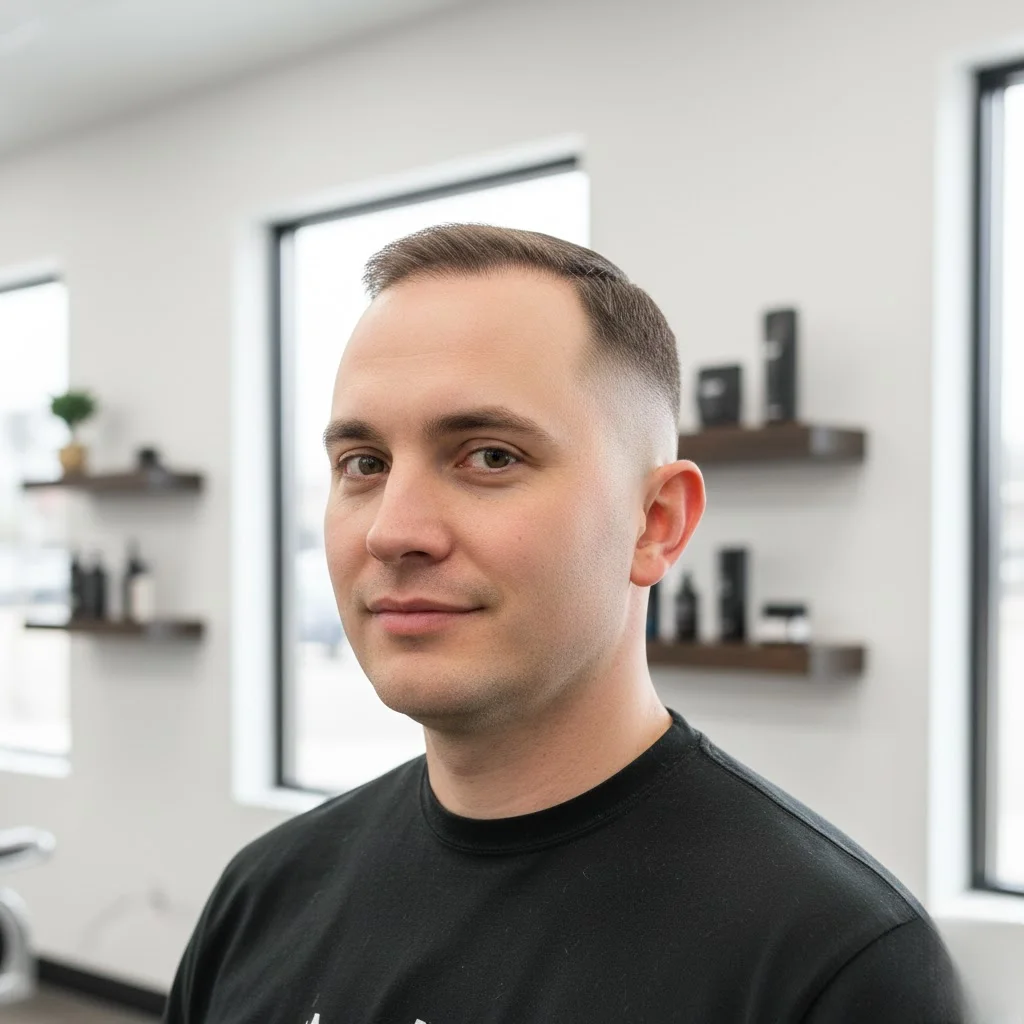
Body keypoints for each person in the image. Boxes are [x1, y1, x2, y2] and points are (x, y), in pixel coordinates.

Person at [163, 223, 966, 1023]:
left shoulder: (832, 963)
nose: (392, 532)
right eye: (364, 465)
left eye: (490, 456)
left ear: (654, 522)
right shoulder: (264, 895)